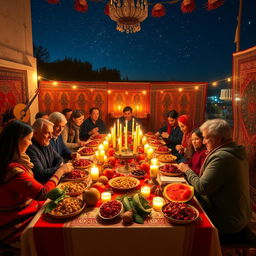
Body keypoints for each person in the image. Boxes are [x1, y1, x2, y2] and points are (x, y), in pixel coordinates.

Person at [176, 119, 254, 243]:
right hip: (236, 216)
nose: (204, 141)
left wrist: (187, 170)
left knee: (182, 218)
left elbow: (202, 187)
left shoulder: (223, 157)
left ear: (218, 138)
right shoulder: (232, 151)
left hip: (227, 222)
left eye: (206, 138)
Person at [0, 120, 72, 247]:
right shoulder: (12, 170)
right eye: (28, 139)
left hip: (30, 209)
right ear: (17, 140)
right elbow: (43, 193)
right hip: (17, 224)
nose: (31, 143)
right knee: (61, 232)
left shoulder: (18, 160)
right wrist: (60, 171)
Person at [26, 118, 73, 183]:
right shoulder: (30, 149)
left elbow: (59, 158)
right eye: (47, 133)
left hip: (54, 180)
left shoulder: (46, 143)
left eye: (51, 133)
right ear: (35, 134)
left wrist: (57, 168)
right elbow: (41, 174)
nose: (51, 137)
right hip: (45, 186)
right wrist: (60, 169)